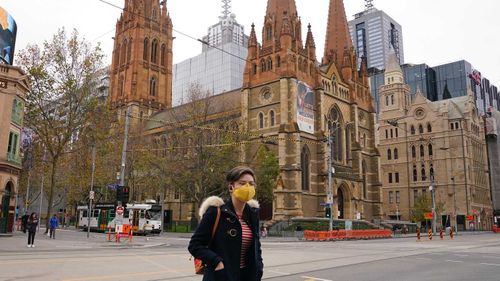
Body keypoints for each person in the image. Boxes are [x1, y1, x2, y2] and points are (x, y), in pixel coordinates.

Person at [189, 166, 264, 281]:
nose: (247, 187)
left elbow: (256, 245)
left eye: (251, 183)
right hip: (221, 276)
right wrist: (217, 262)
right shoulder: (216, 211)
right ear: (231, 186)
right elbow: (195, 245)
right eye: (242, 183)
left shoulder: (252, 214)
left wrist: (259, 268)